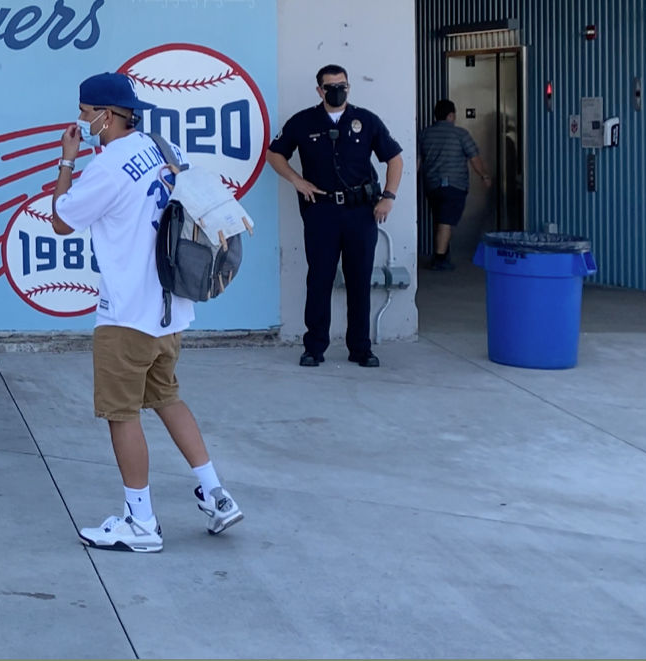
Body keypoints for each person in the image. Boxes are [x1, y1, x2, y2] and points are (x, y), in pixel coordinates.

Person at [52, 72, 244, 553]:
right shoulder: (162, 146)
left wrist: (67, 161)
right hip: (171, 309)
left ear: (107, 115)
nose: (80, 119)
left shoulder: (108, 166)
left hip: (127, 314)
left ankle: (140, 523)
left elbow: (60, 220)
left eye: (84, 111)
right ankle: (216, 494)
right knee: (167, 398)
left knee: (121, 414)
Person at [267, 65, 404, 368]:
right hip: (322, 212)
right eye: (330, 86)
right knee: (319, 279)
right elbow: (274, 154)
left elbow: (394, 158)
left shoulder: (365, 120)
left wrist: (388, 198)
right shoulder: (303, 122)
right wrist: (296, 180)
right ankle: (314, 347)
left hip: (360, 212)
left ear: (349, 87)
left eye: (342, 85)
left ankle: (361, 348)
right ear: (319, 90)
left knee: (359, 280)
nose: (337, 90)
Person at [419, 99, 489, 271]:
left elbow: (418, 160)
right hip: (454, 185)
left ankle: (441, 253)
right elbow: (474, 158)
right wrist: (484, 175)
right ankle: (440, 260)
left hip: (432, 185)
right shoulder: (461, 134)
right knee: (445, 221)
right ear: (451, 115)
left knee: (440, 219)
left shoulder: (425, 134)